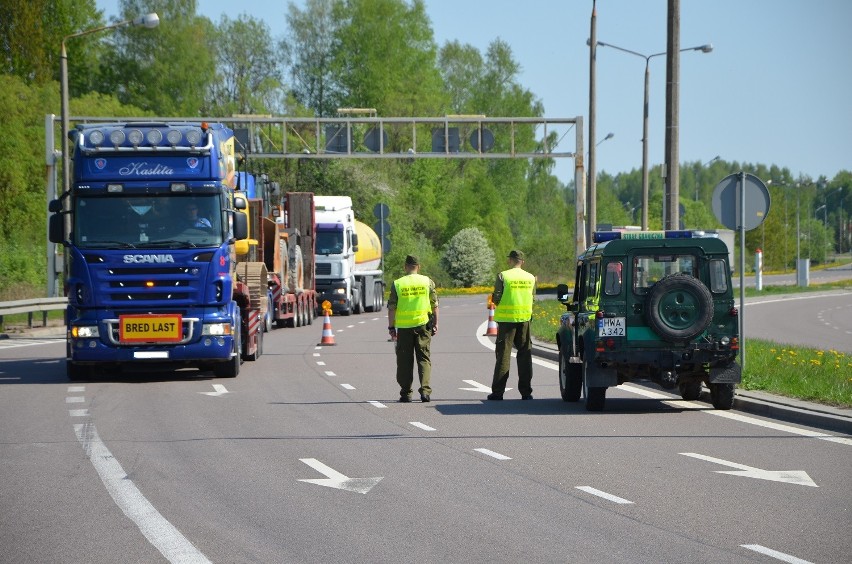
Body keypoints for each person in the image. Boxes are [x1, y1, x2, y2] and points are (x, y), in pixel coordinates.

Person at [387, 255, 438, 403]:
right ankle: (425, 391)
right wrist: (436, 324)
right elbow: (434, 305)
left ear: (405, 266)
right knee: (424, 358)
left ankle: (406, 393)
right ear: (418, 267)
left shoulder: (398, 284)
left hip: (404, 328)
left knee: (404, 361)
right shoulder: (427, 282)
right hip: (423, 325)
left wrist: (391, 327)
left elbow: (391, 308)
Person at [488, 250, 537, 401]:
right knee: (524, 355)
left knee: (503, 356)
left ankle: (498, 392)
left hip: (506, 321)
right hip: (524, 320)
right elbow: (533, 297)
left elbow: (496, 297)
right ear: (522, 262)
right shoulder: (531, 278)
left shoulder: (503, 275)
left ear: (510, 261)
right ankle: (526, 392)